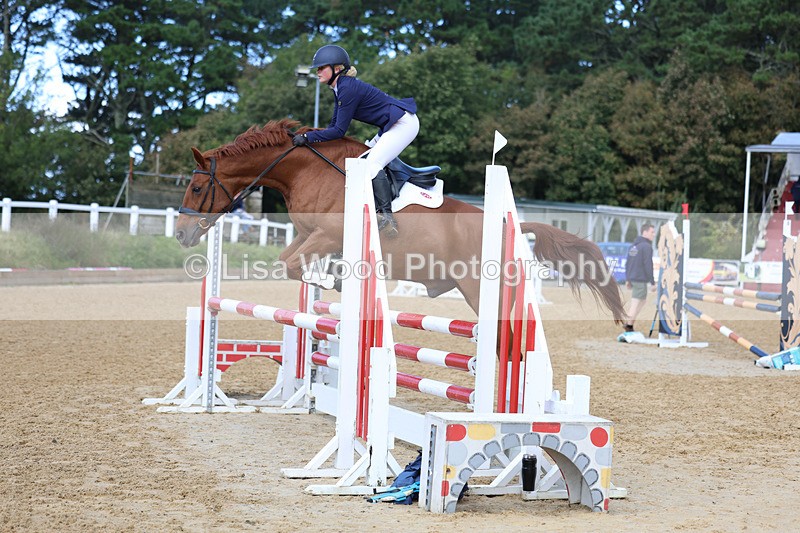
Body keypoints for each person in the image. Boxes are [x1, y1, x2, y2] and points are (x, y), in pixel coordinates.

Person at [292, 44, 419, 238]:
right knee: (363, 157)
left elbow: (338, 131)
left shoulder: (347, 89)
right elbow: (333, 125)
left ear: (337, 69)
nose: (317, 72)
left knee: (372, 164)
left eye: (321, 67)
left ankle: (387, 218)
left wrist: (308, 137)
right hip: (390, 125)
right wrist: (313, 140)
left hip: (403, 124)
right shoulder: (340, 88)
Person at [623, 223, 656, 332]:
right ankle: (628, 325)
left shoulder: (633, 246)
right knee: (637, 302)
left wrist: (628, 278)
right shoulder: (646, 246)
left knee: (640, 301)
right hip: (640, 278)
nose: (654, 234)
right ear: (645, 232)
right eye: (652, 232)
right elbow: (648, 264)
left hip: (633, 277)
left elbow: (628, 263)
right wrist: (652, 282)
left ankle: (629, 323)